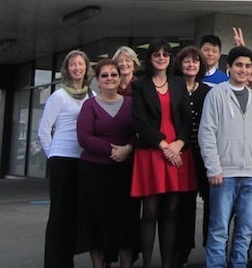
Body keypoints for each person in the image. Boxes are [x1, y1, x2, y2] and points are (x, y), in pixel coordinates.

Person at [199, 46, 252, 268]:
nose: (243, 70)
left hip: (250, 174)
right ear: (228, 67)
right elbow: (207, 133)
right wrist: (213, 168)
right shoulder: (216, 94)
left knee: (245, 230)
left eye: (248, 66)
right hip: (224, 174)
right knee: (219, 230)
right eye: (239, 65)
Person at [131, 39, 197, 268]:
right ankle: (148, 264)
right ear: (149, 58)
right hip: (152, 151)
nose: (161, 57)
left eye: (166, 54)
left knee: (171, 210)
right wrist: (164, 146)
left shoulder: (178, 83)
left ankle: (167, 263)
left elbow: (187, 120)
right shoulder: (140, 85)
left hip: (178, 151)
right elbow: (139, 121)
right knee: (149, 211)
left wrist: (178, 144)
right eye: (157, 54)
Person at [76, 58, 138, 268]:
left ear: (120, 78)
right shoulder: (89, 105)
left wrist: (128, 149)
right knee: (95, 222)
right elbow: (84, 137)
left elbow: (139, 131)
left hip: (124, 173)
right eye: (105, 75)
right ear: (98, 80)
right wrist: (113, 151)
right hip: (94, 174)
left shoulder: (131, 103)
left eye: (114, 74)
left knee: (126, 223)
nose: (110, 78)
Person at [38, 49, 93, 268]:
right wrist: (52, 155)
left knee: (75, 213)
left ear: (86, 68)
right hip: (62, 159)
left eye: (81, 64)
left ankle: (67, 259)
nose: (77, 68)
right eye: (73, 65)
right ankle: (54, 262)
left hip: (83, 160)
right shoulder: (59, 96)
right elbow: (44, 130)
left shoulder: (92, 96)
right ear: (67, 69)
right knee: (59, 212)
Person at [173, 45, 211, 267]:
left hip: (203, 154)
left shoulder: (207, 91)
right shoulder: (174, 88)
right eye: (186, 60)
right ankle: (181, 251)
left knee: (211, 203)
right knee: (183, 205)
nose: (190, 64)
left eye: (195, 61)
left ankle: (211, 249)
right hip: (181, 154)